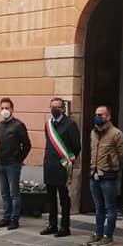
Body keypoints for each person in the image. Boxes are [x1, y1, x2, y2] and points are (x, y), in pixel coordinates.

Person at [88, 104, 123, 246]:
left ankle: (108, 235)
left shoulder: (116, 133)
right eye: (96, 114)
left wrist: (114, 167)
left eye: (101, 115)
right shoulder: (93, 132)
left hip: (108, 177)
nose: (98, 117)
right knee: (98, 207)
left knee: (110, 208)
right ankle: (98, 233)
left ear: (108, 117)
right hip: (94, 175)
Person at [41, 97, 81, 237]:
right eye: (52, 107)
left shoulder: (70, 124)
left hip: (63, 167)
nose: (54, 109)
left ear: (63, 109)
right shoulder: (48, 124)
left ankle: (65, 227)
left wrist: (69, 160)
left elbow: (76, 146)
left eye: (57, 107)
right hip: (50, 166)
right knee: (50, 198)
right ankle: (52, 225)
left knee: (64, 199)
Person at [0, 97, 31, 230]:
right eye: (2, 108)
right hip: (1, 163)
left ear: (12, 109)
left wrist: (19, 159)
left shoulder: (18, 125)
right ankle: (6, 217)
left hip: (13, 164)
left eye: (7, 108)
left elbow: (27, 145)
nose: (4, 111)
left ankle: (14, 219)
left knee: (14, 193)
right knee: (4, 193)